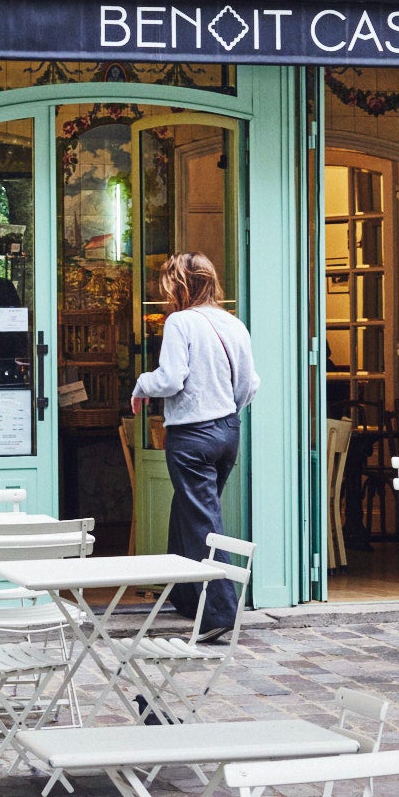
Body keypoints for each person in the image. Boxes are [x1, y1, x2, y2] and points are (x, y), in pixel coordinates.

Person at [128, 252, 259, 640]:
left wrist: (140, 384)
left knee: (203, 520)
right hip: (227, 431)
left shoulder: (180, 322)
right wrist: (226, 410)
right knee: (188, 511)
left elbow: (170, 379)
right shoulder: (234, 323)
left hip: (191, 436)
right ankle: (186, 597)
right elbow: (250, 384)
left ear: (178, 285)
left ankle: (220, 611)